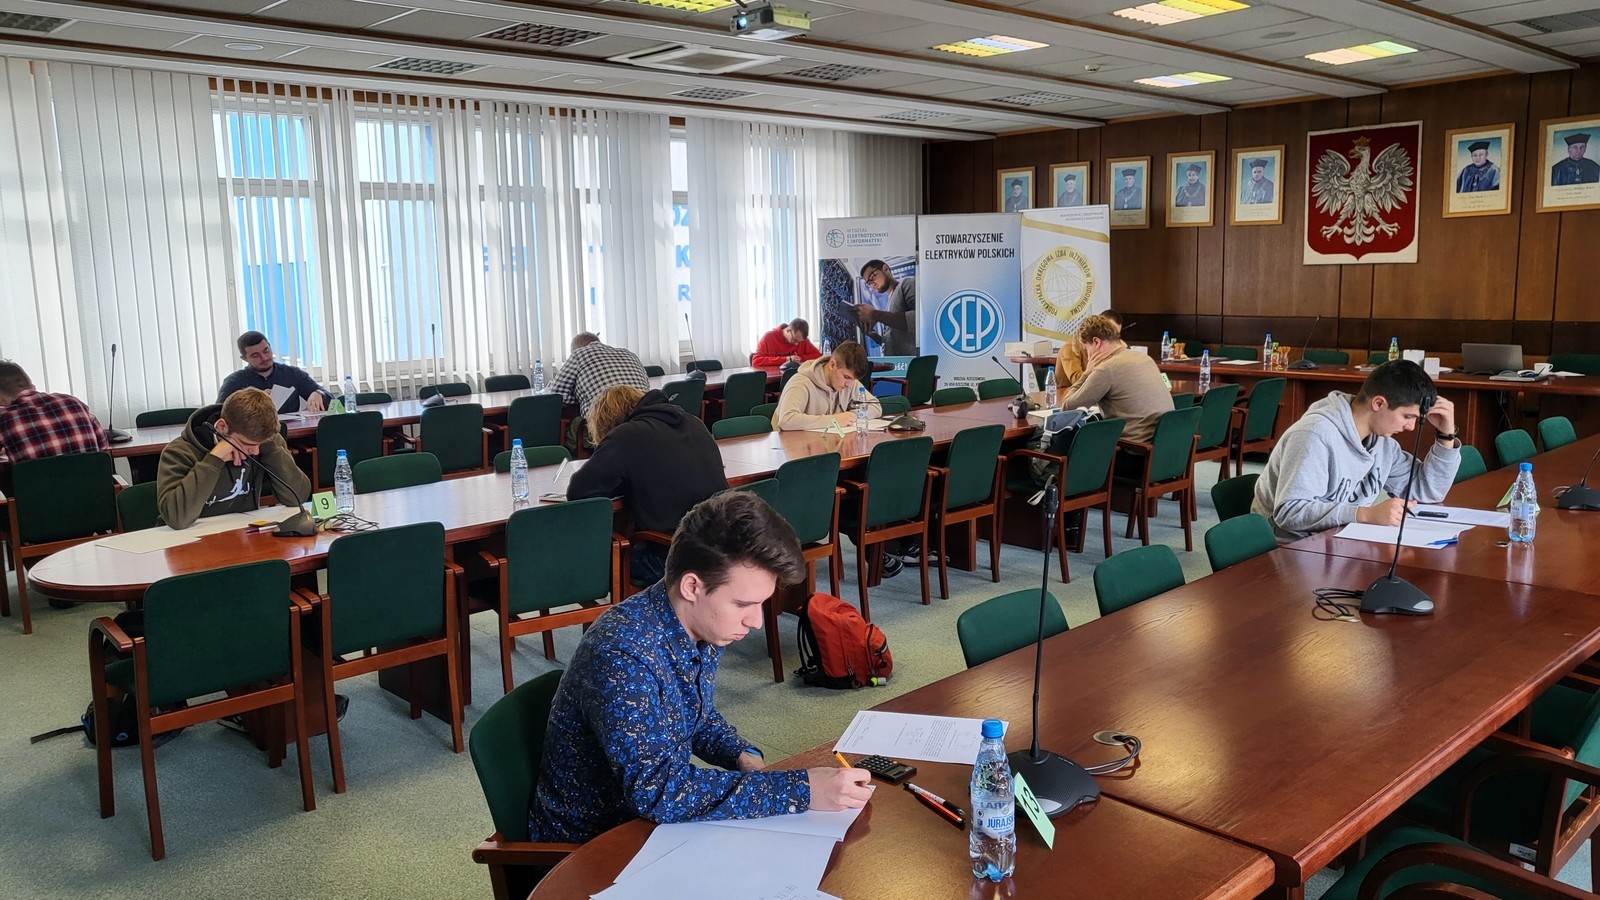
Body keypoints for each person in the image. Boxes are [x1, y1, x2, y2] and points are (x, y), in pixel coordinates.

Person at [528, 491, 874, 844]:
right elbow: (657, 791)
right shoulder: (622, 654)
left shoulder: (697, 624)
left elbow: (694, 714)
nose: (756, 621)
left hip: (651, 823)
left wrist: (740, 754)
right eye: (743, 604)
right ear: (692, 586)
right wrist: (801, 789)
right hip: (595, 845)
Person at [1251, 360, 1461, 541]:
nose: (1411, 427)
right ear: (1378, 403)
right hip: (1288, 549)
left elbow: (1427, 491)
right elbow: (1289, 513)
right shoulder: (1314, 435)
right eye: (1407, 416)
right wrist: (1365, 515)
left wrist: (1446, 435)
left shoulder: (1383, 443)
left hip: (1340, 541)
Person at [567, 384, 728, 585]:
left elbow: (578, 491)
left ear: (607, 423)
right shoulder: (693, 421)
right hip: (723, 548)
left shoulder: (624, 436)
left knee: (598, 558)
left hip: (673, 558)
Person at [156, 387, 310, 530]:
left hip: (241, 532)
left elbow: (297, 498)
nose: (255, 451)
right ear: (221, 428)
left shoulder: (265, 442)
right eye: (247, 444)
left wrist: (271, 449)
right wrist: (214, 459)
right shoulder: (180, 451)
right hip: (188, 537)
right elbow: (177, 519)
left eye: (260, 444)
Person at [1056, 314, 1172, 443]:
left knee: (1067, 442)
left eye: (1086, 349)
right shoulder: (1145, 359)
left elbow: (1067, 408)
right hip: (1165, 444)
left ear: (1096, 342)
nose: (1088, 355)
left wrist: (1087, 373)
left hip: (1133, 448)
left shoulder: (1106, 369)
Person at [0, 359, 110, 464]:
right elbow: (102, 446)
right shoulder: (73, 402)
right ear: (32, 386)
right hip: (90, 477)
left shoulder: (4, 417)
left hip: (40, 478)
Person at [773, 340, 881, 432]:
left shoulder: (850, 382)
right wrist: (834, 420)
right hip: (791, 446)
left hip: (826, 443)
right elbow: (786, 420)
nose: (849, 385)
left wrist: (850, 416)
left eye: (853, 379)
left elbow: (875, 406)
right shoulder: (801, 383)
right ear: (832, 365)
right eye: (846, 377)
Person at [217, 331, 329, 414]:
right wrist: (252, 401)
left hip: (292, 432)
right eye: (255, 356)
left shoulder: (291, 374)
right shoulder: (234, 382)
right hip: (253, 435)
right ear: (245, 358)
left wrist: (319, 393)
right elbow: (217, 413)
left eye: (266, 351)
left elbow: (331, 399)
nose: (264, 358)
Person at [550, 332, 651, 416]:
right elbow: (646, 385)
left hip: (606, 419)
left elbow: (556, 392)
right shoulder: (629, 354)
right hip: (644, 413)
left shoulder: (579, 354)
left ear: (576, 349)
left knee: (571, 424)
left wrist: (582, 398)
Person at [854, 261, 917, 357]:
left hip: (912, 362)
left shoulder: (907, 283)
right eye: (869, 283)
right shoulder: (888, 306)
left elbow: (918, 321)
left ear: (885, 269)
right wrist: (872, 334)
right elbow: (890, 342)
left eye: (872, 277)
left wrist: (875, 314)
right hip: (897, 364)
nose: (872, 285)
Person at [1054, 309, 1124, 392]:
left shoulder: (1104, 347)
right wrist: (1090, 371)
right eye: (1109, 331)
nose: (1111, 338)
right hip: (1068, 394)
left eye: (1115, 335)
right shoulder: (1070, 347)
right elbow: (1076, 381)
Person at [750, 318, 822, 367]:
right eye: (795, 340)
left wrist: (800, 358)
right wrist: (786, 359)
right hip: (773, 380)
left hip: (794, 378)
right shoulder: (768, 337)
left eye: (799, 342)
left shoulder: (801, 340)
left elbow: (818, 356)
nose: (797, 344)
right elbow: (756, 361)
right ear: (788, 330)